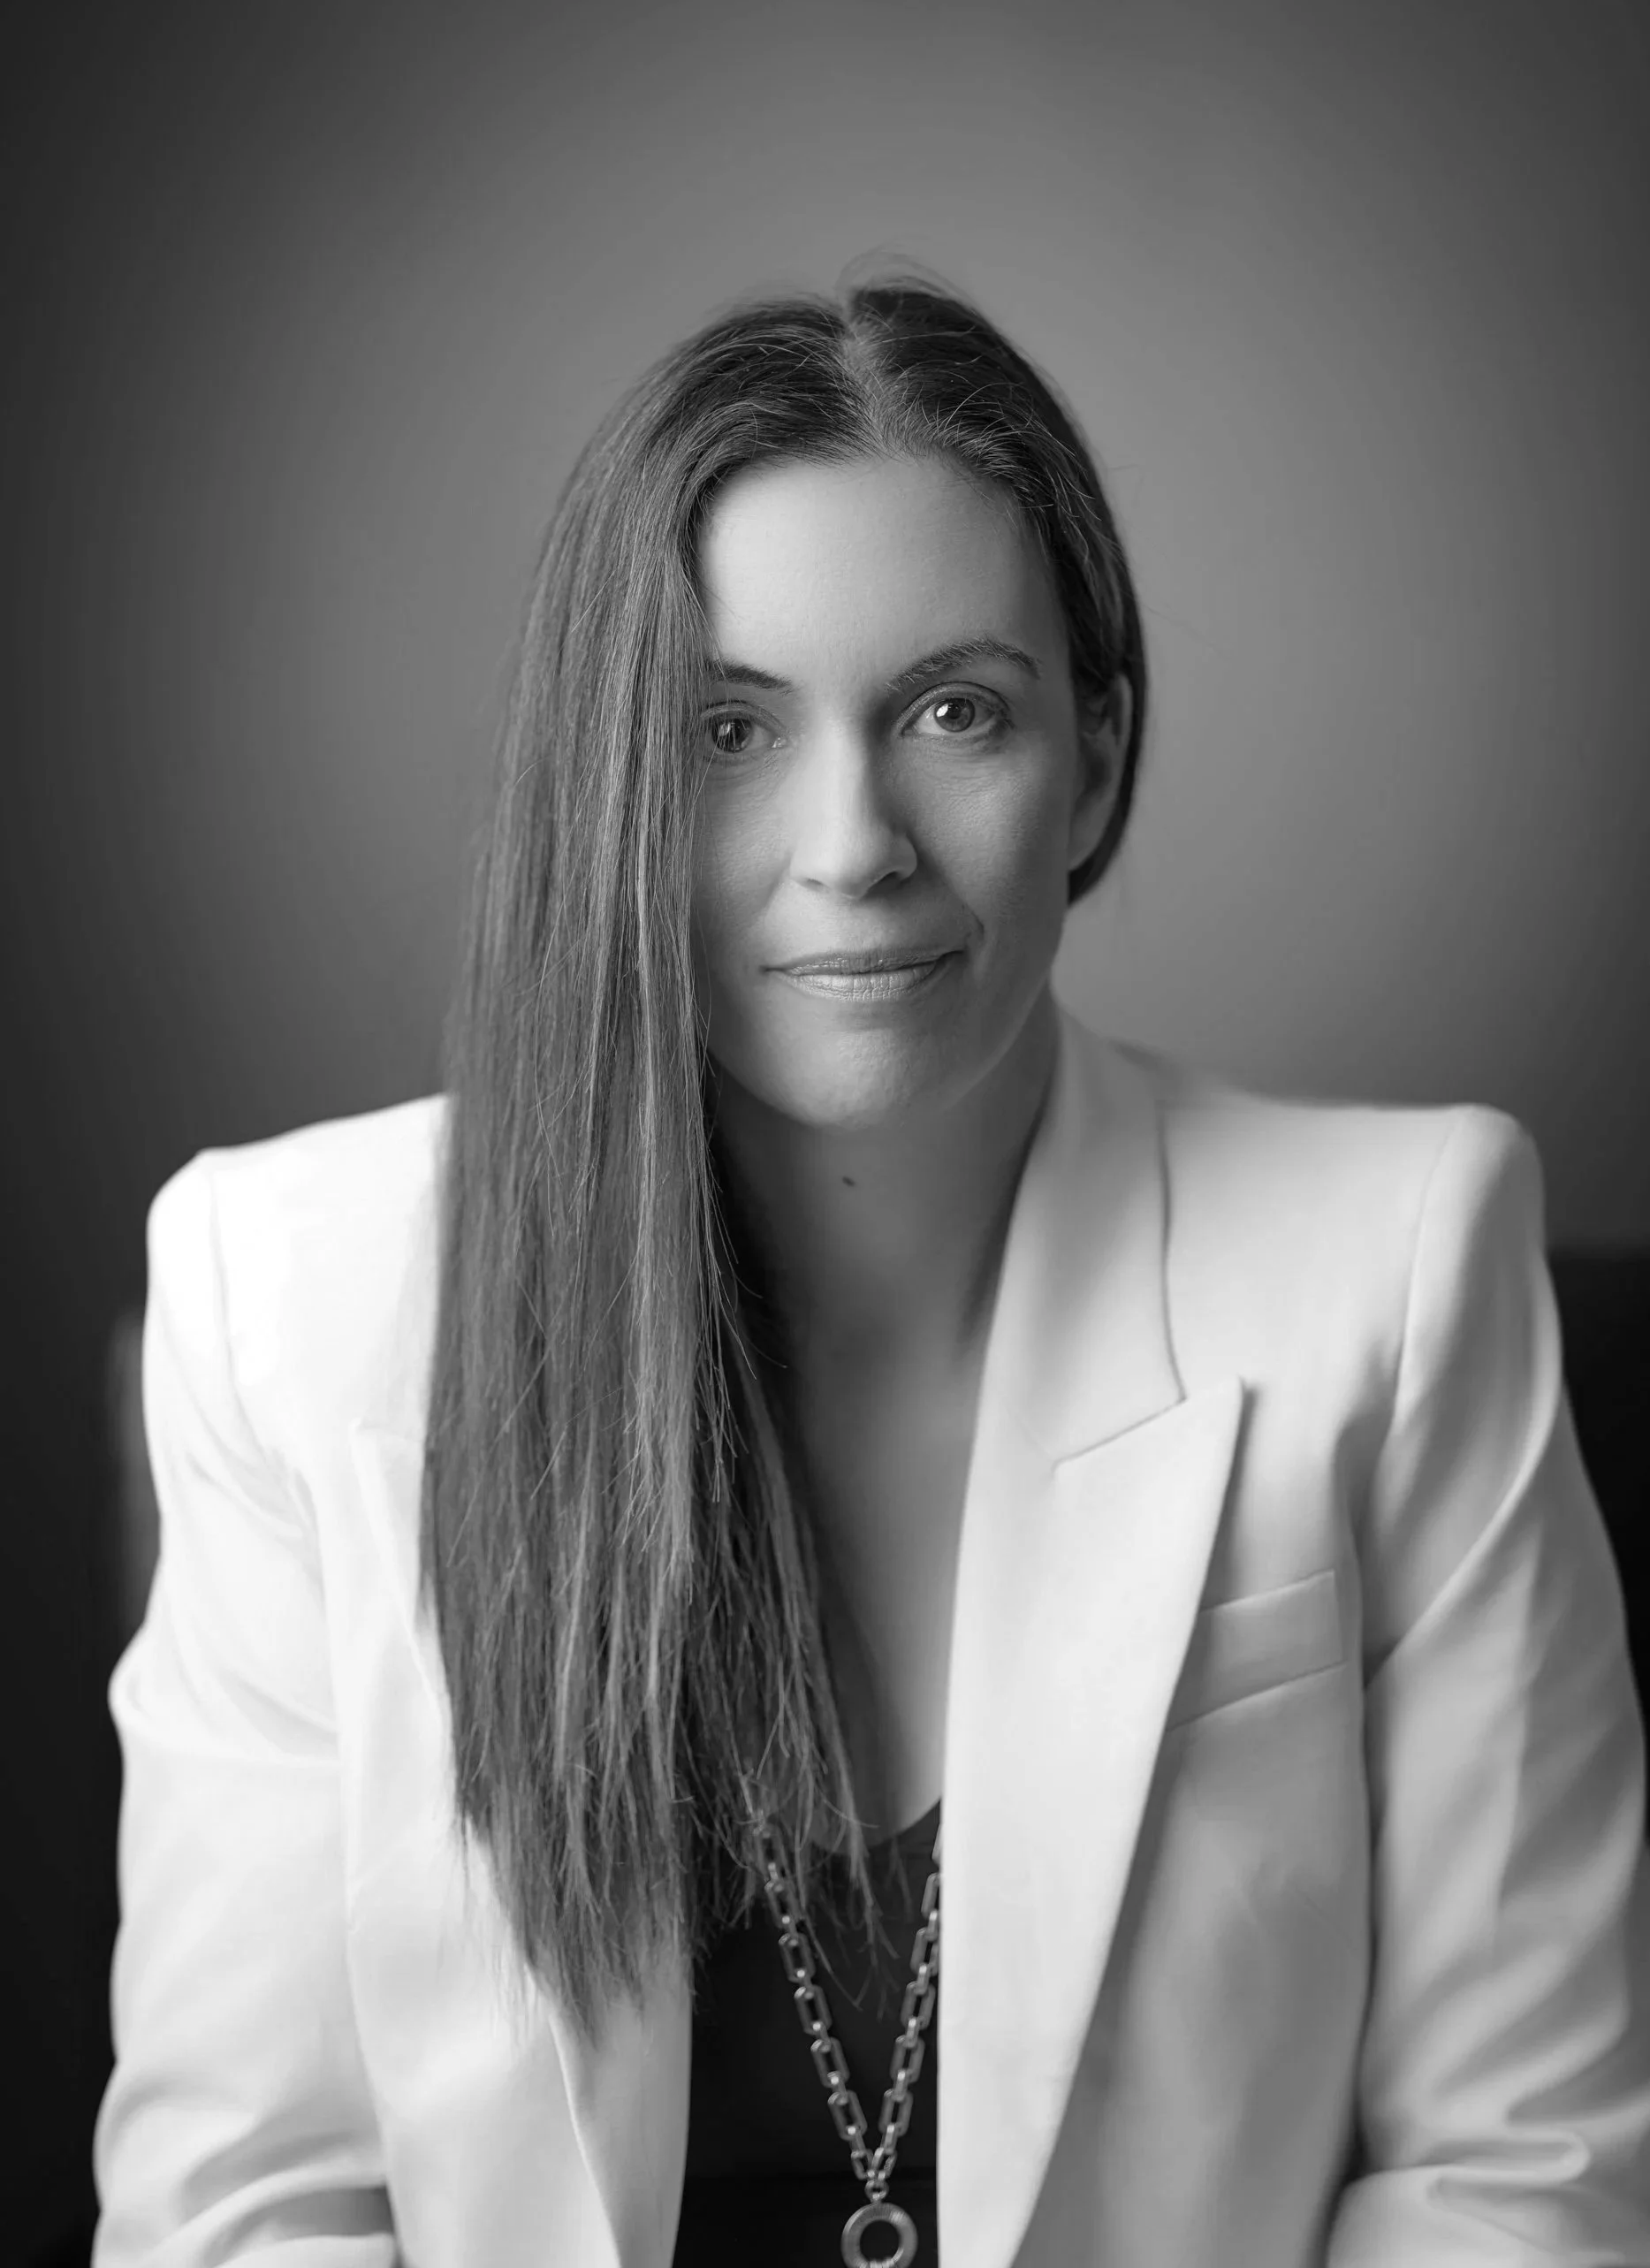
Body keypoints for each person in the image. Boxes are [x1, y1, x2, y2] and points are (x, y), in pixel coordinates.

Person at [94, 272, 1650, 2268]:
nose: (853, 844)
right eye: (727, 728)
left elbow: (1517, 2175)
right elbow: (246, 2208)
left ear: (1096, 759)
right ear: (608, 782)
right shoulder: (283, 1295)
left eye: (954, 711)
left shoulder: (1406, 1263)